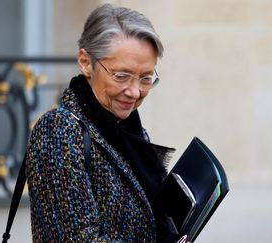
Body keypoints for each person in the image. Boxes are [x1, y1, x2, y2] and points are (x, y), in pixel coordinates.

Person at [25, 4, 176, 242]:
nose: (135, 92)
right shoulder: (58, 131)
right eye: (121, 76)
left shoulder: (126, 128)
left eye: (146, 78)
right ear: (85, 62)